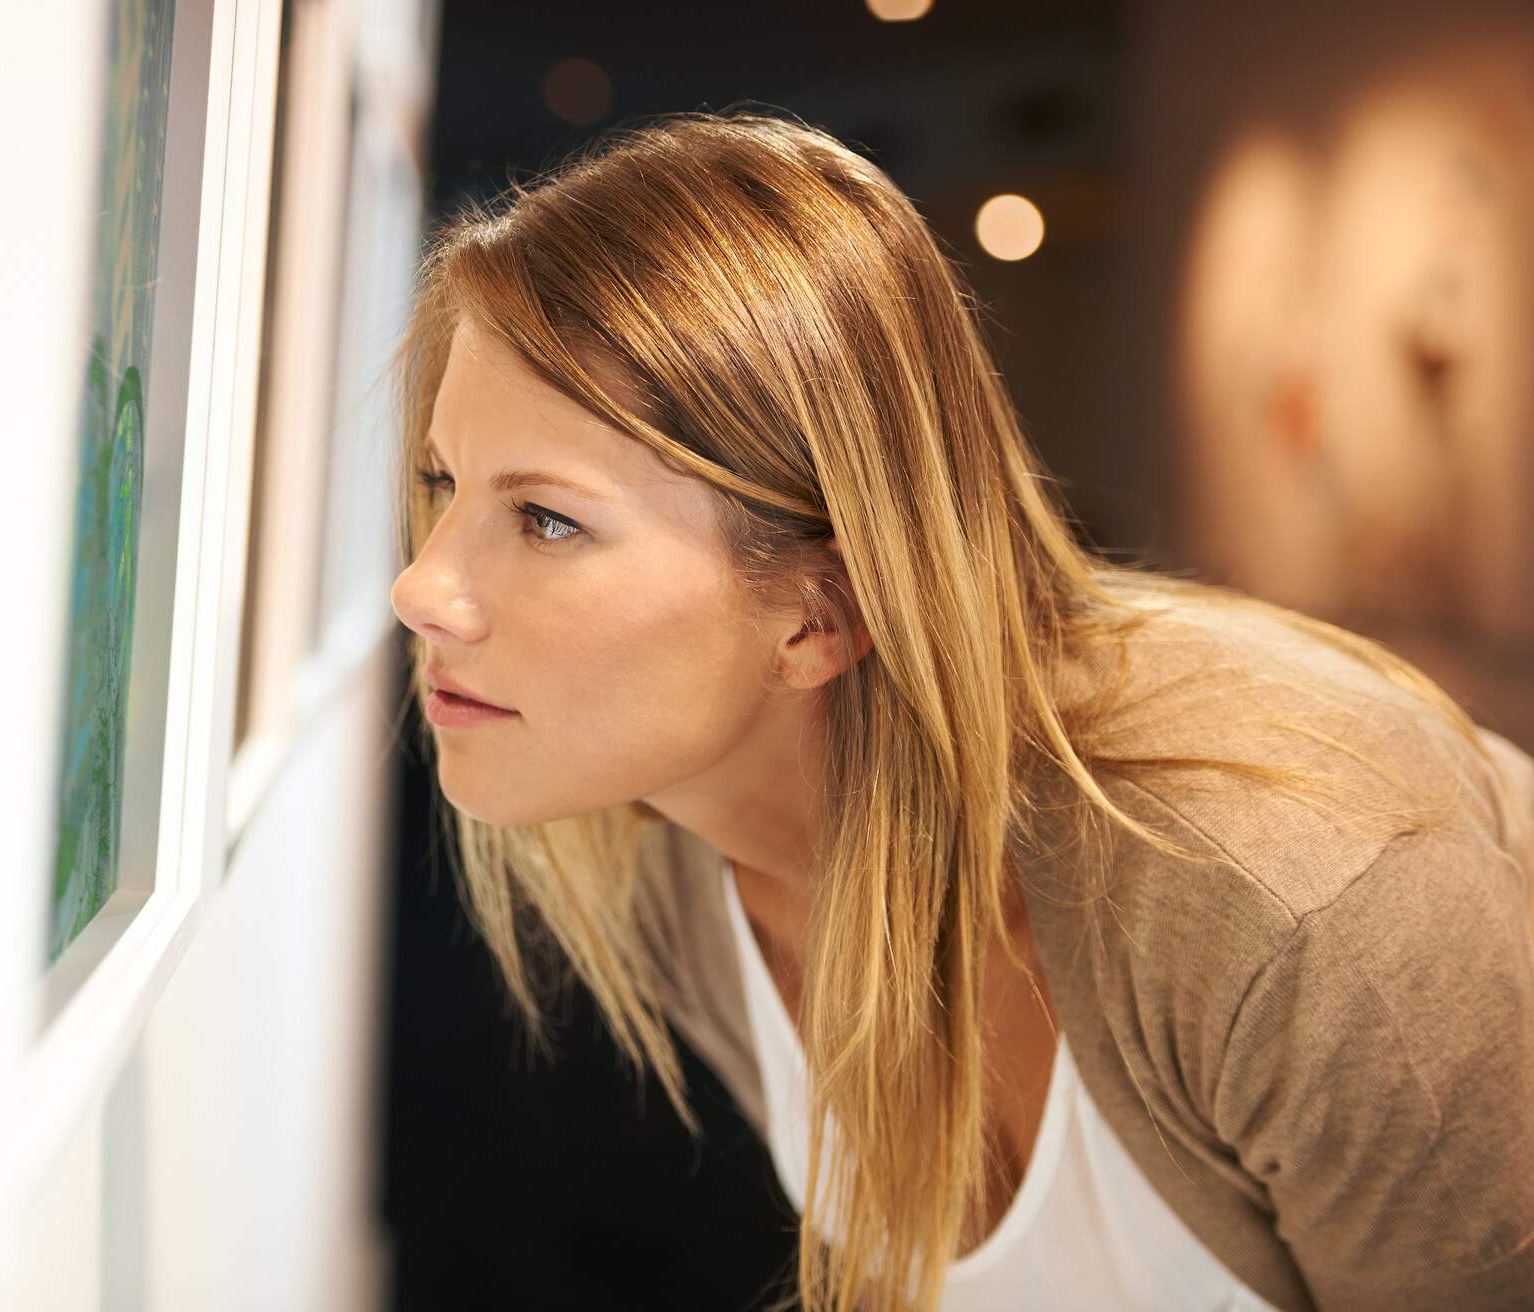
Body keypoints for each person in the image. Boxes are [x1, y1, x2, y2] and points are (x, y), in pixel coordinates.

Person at [386, 109, 1534, 1312]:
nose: (422, 588)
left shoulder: (1285, 903)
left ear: (820, 611)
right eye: (442, 483)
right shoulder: (672, 862)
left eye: (550, 519)